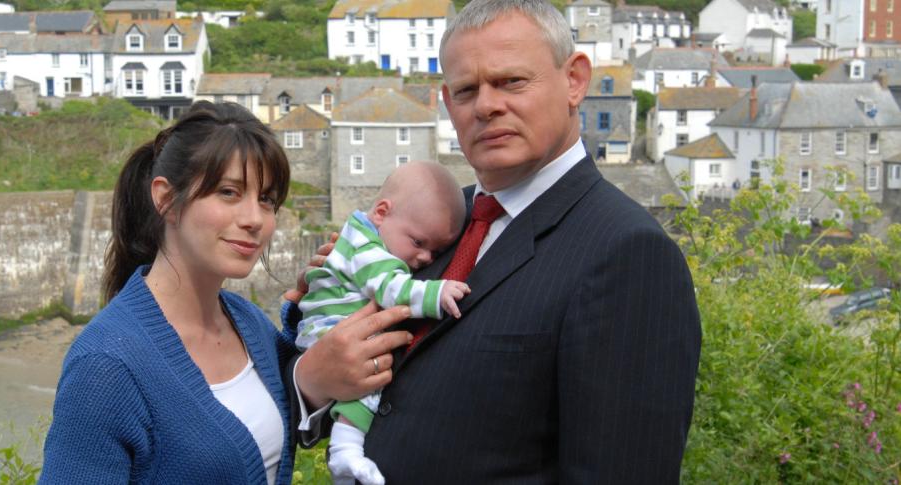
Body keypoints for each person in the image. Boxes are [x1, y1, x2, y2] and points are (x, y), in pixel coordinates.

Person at [289, 0, 703, 482]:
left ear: (574, 80)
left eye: (511, 81)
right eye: (467, 90)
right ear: (447, 103)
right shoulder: (431, 224)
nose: (487, 105)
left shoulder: (629, 254)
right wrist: (311, 378)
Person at [39, 101, 414, 484]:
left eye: (266, 199)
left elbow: (287, 405)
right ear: (166, 199)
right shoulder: (105, 366)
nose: (254, 219)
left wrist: (325, 306)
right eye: (229, 192)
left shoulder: (248, 322)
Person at [296, 162, 469, 485]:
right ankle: (345, 452)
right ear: (381, 213)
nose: (425, 259)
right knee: (370, 376)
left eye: (436, 251)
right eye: (419, 243)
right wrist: (437, 293)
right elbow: (393, 291)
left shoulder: (364, 236)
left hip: (324, 326)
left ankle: (345, 456)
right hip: (329, 332)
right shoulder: (369, 249)